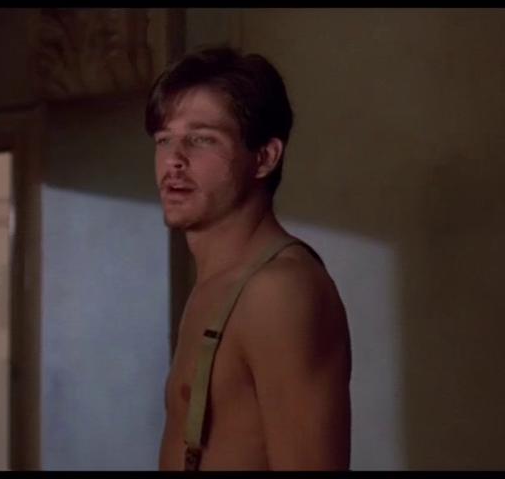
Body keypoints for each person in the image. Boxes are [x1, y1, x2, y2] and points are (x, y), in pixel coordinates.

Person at [146, 47, 352, 471]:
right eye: (164, 139)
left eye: (202, 139)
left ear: (264, 157)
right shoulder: (217, 283)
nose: (174, 160)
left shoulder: (278, 292)